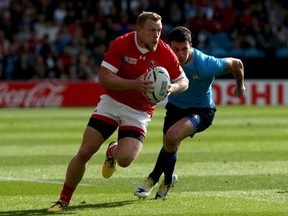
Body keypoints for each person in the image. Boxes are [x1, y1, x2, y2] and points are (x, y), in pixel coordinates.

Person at [47, 12, 189, 212]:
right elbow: (103, 79)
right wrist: (134, 84)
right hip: (113, 102)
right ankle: (63, 200)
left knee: (124, 160)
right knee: (86, 150)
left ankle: (113, 150)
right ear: (138, 31)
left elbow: (184, 81)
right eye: (151, 30)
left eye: (159, 30)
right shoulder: (122, 44)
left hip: (139, 111)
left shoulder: (165, 52)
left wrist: (172, 88)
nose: (156, 35)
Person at [134, 26, 246, 200]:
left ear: (191, 45)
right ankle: (168, 180)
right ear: (169, 46)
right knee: (170, 145)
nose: (180, 54)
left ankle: (152, 179)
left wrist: (240, 87)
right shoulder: (163, 56)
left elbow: (236, 64)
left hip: (201, 111)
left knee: (171, 137)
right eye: (175, 49)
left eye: (184, 49)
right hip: (175, 108)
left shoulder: (205, 64)